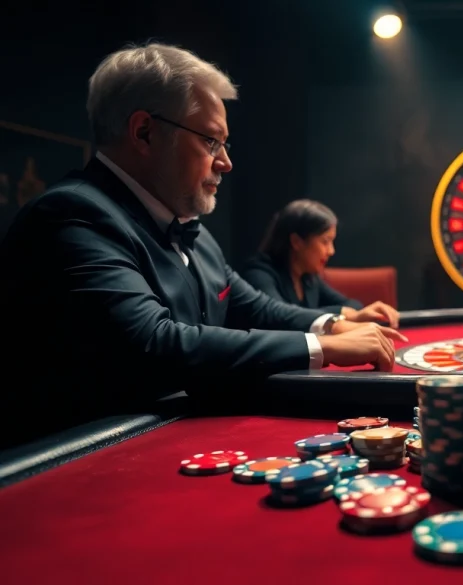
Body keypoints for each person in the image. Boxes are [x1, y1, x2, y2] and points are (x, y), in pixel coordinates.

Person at [0, 43, 406, 444]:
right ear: (144, 132)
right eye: (211, 142)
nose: (226, 162)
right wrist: (322, 346)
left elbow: (250, 305)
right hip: (76, 461)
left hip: (166, 437)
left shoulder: (188, 226)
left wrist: (333, 322)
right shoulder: (72, 213)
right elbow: (153, 344)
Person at [238, 199, 399, 328]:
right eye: (325, 241)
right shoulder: (258, 274)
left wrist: (352, 312)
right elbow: (281, 319)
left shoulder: (308, 277)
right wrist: (344, 314)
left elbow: (351, 305)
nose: (331, 251)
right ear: (296, 241)